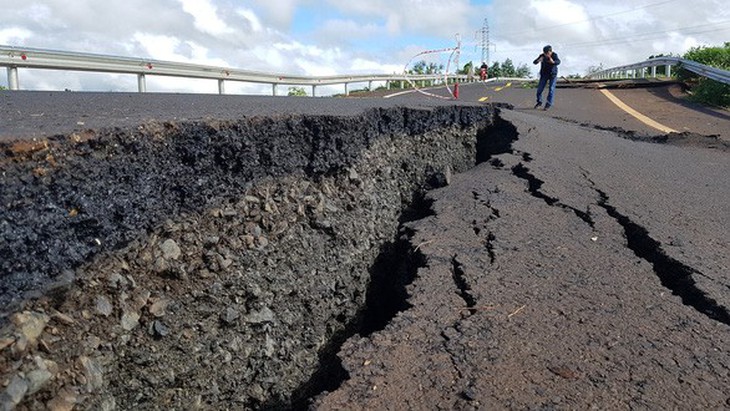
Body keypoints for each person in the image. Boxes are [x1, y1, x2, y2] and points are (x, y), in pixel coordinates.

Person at [533, 45, 560, 110]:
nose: (546, 55)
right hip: (544, 74)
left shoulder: (554, 55)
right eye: (545, 53)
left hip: (552, 74)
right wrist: (538, 60)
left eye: (547, 53)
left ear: (551, 51)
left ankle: (548, 104)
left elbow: (558, 61)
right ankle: (539, 102)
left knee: (551, 89)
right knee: (539, 89)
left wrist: (553, 62)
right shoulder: (542, 55)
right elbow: (534, 62)